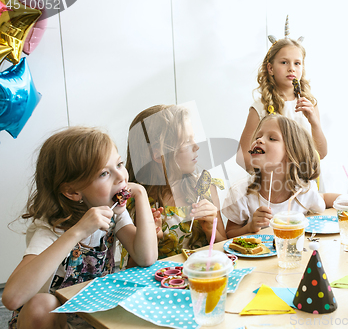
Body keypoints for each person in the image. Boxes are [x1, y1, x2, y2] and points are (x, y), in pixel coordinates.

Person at [2, 127, 158, 329]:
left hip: (95, 314)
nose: (121, 177)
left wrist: (141, 195)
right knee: (42, 305)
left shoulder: (112, 212)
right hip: (53, 322)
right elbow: (12, 299)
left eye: (119, 164)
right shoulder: (49, 230)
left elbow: (147, 257)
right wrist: (77, 231)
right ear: (72, 191)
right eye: (104, 173)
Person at [225, 115, 348, 238]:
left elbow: (322, 198)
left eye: (272, 138)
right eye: (258, 136)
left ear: (291, 154)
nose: (259, 140)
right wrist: (250, 227)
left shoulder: (303, 190)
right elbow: (229, 234)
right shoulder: (240, 193)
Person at [123, 104, 226, 266]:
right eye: (186, 141)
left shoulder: (206, 188)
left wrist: (209, 229)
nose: (196, 146)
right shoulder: (135, 202)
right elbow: (130, 271)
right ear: (158, 155)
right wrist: (151, 239)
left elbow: (226, 252)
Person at [236, 18, 327, 172]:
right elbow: (242, 157)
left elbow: (321, 153)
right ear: (270, 68)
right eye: (284, 62)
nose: (291, 68)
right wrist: (268, 175)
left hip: (303, 185)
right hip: (274, 188)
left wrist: (314, 122)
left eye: (297, 63)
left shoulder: (310, 105)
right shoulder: (260, 108)